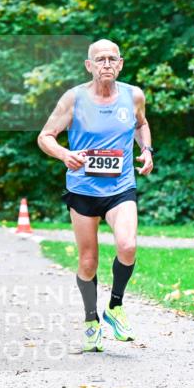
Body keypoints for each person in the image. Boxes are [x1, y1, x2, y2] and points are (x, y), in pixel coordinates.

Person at [37, 39, 154, 352]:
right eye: (100, 59)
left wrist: (147, 150)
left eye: (112, 59)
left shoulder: (134, 96)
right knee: (88, 261)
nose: (106, 64)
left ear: (120, 64)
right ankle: (91, 320)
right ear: (89, 65)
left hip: (120, 188)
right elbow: (45, 136)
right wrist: (64, 154)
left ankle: (114, 307)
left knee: (127, 245)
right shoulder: (73, 99)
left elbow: (142, 125)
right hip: (83, 190)